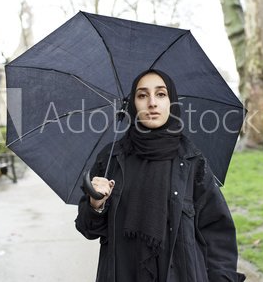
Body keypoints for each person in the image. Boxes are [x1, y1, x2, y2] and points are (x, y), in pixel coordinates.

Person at [75, 69, 246, 282]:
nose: (152, 103)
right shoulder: (112, 158)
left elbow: (217, 232)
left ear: (171, 102)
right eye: (142, 95)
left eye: (161, 94)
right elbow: (88, 229)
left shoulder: (192, 160)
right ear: (133, 105)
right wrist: (96, 204)